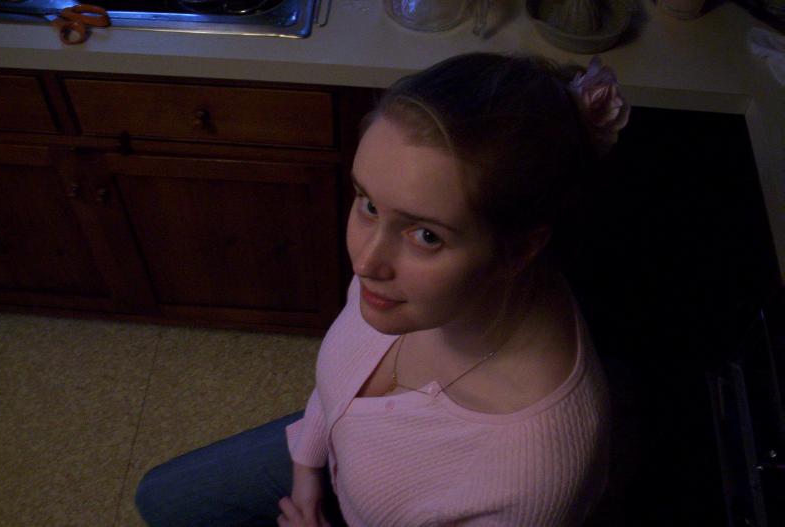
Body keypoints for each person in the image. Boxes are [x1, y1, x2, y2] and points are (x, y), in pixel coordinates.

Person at [134, 52, 630, 527]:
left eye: (426, 236)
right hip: (328, 450)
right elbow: (339, 385)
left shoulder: (535, 476)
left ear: (520, 250)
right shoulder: (404, 286)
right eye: (368, 204)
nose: (365, 263)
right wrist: (306, 468)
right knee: (158, 498)